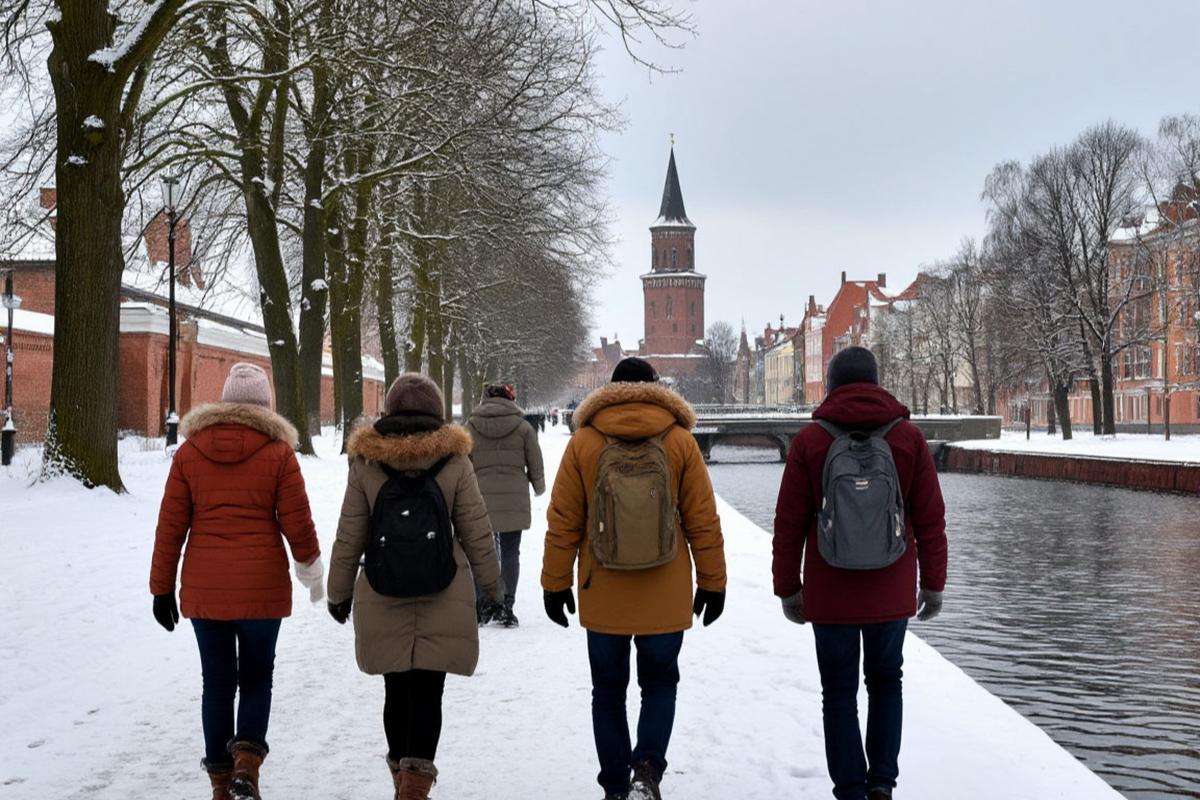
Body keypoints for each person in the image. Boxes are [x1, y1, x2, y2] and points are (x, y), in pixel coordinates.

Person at [543, 357, 727, 800]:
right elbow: (703, 519)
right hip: (664, 592)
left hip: (601, 591)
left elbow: (564, 519)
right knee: (660, 683)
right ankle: (646, 771)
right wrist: (713, 582)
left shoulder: (584, 441)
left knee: (607, 690)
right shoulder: (680, 440)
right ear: (657, 387)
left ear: (610, 389)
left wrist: (554, 583)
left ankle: (614, 787)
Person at [772, 346, 948, 800]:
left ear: (831, 385)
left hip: (830, 593)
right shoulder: (908, 438)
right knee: (887, 682)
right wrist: (933, 582)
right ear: (875, 382)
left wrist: (788, 587)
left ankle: (849, 789)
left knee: (838, 693)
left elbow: (789, 522)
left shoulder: (811, 441)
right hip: (890, 589)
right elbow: (930, 518)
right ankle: (882, 785)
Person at [150, 362, 324, 800]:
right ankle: (248, 765)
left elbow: (171, 526)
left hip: (206, 590)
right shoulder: (279, 453)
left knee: (217, 683)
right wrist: (311, 572)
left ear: (226, 401)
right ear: (265, 404)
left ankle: (221, 785)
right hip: (262, 587)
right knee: (257, 678)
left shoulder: (189, 452)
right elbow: (298, 523)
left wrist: (161, 587)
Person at [327, 373, 504, 800]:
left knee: (395, 690)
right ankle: (414, 789)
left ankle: (401, 779)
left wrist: (338, 592)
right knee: (429, 691)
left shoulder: (366, 461)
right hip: (442, 589)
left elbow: (350, 532)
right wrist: (492, 587)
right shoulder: (455, 461)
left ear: (388, 411)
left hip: (383, 588)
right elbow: (476, 529)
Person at [465, 383, 545, 627]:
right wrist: (538, 485)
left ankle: (484, 603)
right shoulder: (523, 427)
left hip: (480, 498)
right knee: (511, 552)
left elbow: (463, 461)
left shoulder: (470, 426)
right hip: (513, 498)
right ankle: (506, 605)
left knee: (481, 552)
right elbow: (535, 460)